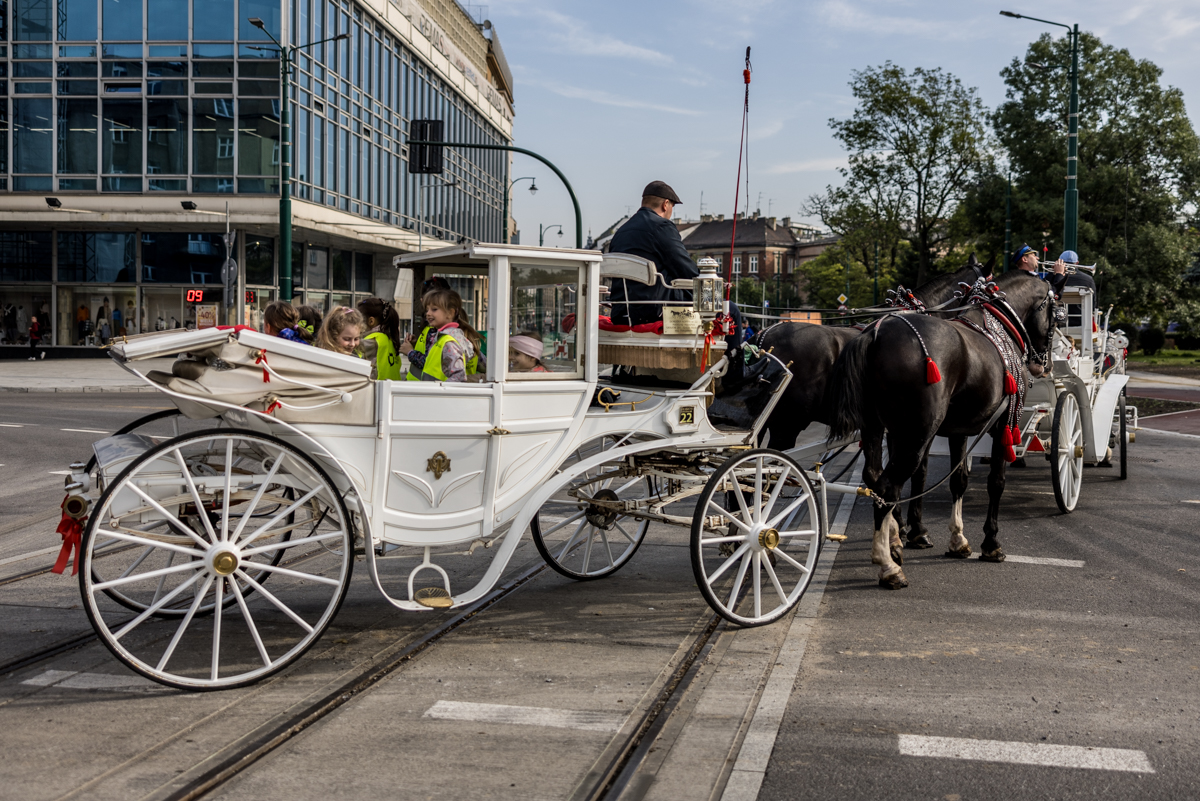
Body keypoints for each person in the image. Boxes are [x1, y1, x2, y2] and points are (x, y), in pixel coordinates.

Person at [607, 181, 698, 326]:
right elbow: (686, 269)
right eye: (672, 208)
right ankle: (734, 349)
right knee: (729, 309)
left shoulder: (620, 232)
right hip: (656, 311)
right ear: (665, 204)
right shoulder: (662, 226)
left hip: (622, 312)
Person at [401, 287, 479, 382]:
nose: (428, 313)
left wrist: (441, 393)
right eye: (427, 310)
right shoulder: (442, 338)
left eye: (434, 309)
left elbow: (458, 376)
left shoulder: (448, 342)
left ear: (450, 313)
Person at [357, 297, 403, 380]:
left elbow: (346, 347)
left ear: (371, 321)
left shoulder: (372, 341)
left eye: (358, 321)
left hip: (378, 389)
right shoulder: (389, 339)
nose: (355, 325)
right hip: (392, 388)